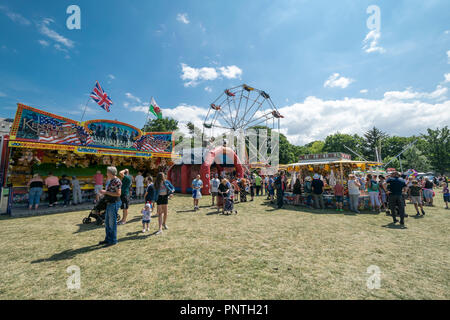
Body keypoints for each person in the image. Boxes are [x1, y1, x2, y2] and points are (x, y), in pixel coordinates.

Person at [98, 166, 122, 247]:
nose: (106, 173)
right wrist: (105, 193)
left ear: (111, 173)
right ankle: (108, 239)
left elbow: (118, 194)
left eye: (107, 172)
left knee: (112, 223)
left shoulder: (116, 181)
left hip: (114, 203)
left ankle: (113, 240)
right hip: (110, 203)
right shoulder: (112, 180)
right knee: (108, 223)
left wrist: (106, 192)